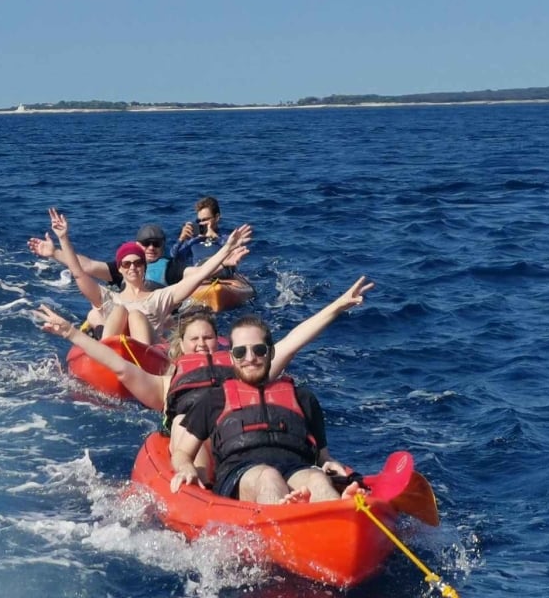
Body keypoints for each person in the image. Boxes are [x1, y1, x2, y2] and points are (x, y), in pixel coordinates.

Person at [35, 276, 374, 470]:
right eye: (194, 339)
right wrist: (70, 333)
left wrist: (335, 307)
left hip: (245, 445)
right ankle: (203, 482)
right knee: (195, 428)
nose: (201, 345)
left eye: (208, 338)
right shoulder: (165, 384)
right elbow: (119, 366)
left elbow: (292, 342)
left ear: (220, 343)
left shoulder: (243, 368)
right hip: (195, 449)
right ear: (180, 347)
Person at [169, 314, 359, 505]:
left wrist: (329, 464)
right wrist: (185, 467)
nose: (250, 358)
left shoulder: (303, 398)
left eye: (258, 350)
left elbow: (323, 456)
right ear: (232, 358)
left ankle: (339, 515)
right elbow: (182, 453)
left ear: (271, 352)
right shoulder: (213, 400)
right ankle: (286, 520)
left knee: (318, 480)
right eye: (240, 352)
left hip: (296, 469)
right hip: (242, 473)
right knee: (268, 477)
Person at [48, 207, 252, 343]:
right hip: (113, 353)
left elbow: (200, 275)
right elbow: (80, 272)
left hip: (145, 357)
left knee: (136, 316)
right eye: (126, 264)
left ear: (144, 266)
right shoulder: (109, 298)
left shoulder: (160, 297)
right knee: (115, 311)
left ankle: (136, 363)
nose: (132, 268)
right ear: (119, 268)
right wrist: (63, 240)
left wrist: (225, 250)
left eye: (137, 263)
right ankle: (105, 350)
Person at [27, 222, 185, 288]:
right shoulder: (123, 267)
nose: (151, 248)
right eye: (146, 243)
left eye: (156, 243)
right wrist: (55, 252)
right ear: (137, 245)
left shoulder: (172, 268)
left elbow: (195, 274)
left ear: (163, 246)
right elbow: (87, 266)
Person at [171, 196, 235, 271]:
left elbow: (234, 254)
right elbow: (174, 256)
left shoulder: (225, 238)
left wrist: (215, 237)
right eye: (199, 220)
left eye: (205, 219)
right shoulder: (193, 240)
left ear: (217, 217)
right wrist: (181, 239)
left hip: (221, 274)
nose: (201, 223)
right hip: (199, 274)